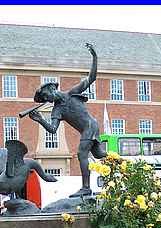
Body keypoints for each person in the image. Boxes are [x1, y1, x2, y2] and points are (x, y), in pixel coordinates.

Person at [28, 42, 106, 198]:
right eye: (44, 98)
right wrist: (39, 120)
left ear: (52, 89)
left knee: (81, 154)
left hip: (90, 126)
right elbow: (52, 129)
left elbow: (92, 78)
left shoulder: (72, 93)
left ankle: (85, 188)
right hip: (89, 128)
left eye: (46, 96)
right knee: (99, 154)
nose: (47, 99)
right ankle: (122, 162)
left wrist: (95, 57)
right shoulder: (57, 110)